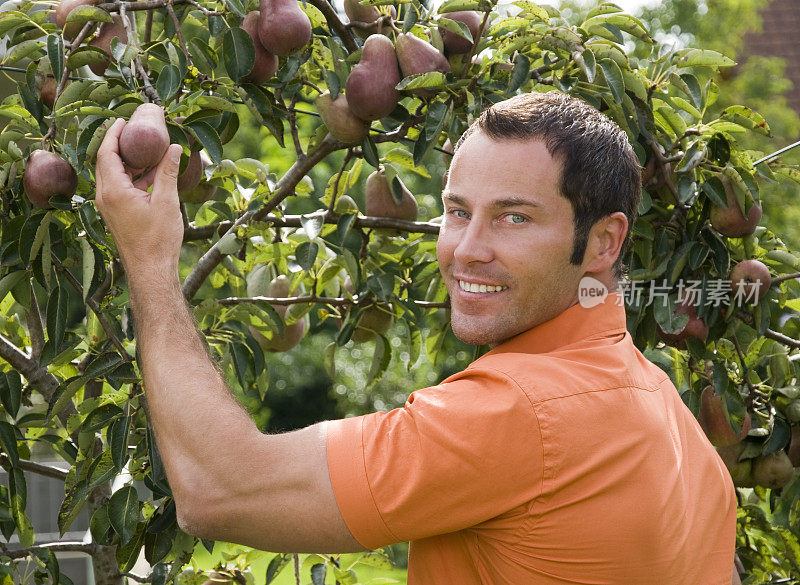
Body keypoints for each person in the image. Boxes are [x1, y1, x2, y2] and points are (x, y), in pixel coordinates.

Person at [95, 91, 738, 584]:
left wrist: (150, 260)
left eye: (514, 217)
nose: (467, 250)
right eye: (457, 212)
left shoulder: (517, 414)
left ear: (603, 242)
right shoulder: (672, 419)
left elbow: (218, 488)